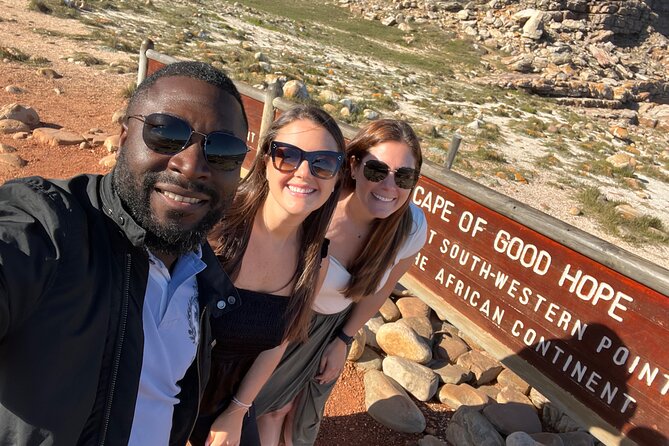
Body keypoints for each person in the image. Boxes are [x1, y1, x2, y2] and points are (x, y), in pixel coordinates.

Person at [0, 61, 250, 445]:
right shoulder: (52, 225)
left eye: (223, 150)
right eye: (166, 133)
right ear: (122, 136)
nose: (192, 165)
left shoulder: (200, 274)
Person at [255, 119, 428, 445]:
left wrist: (344, 339)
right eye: (377, 171)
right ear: (353, 165)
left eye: (404, 177)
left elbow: (383, 288)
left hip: (332, 326)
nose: (390, 187)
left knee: (301, 419)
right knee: (271, 408)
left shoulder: (410, 227)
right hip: (285, 319)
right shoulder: (318, 209)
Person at [189, 105, 346, 446]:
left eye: (323, 163)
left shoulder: (313, 262)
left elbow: (278, 343)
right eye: (288, 156)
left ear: (336, 181)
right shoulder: (213, 226)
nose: (304, 172)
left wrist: (235, 411)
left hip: (229, 395)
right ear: (265, 161)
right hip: (166, 381)